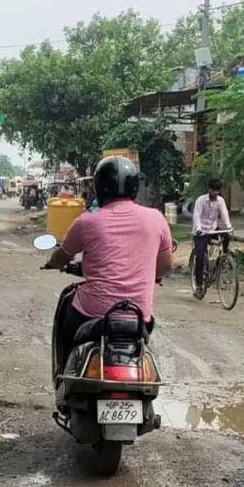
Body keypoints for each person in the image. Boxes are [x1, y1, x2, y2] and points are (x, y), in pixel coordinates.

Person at [43, 155, 174, 382]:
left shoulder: (86, 221)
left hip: (90, 316)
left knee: (67, 309)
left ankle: (63, 377)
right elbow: (164, 267)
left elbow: (63, 255)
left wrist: (53, 263)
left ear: (99, 187)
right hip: (139, 317)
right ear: (134, 186)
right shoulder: (156, 218)